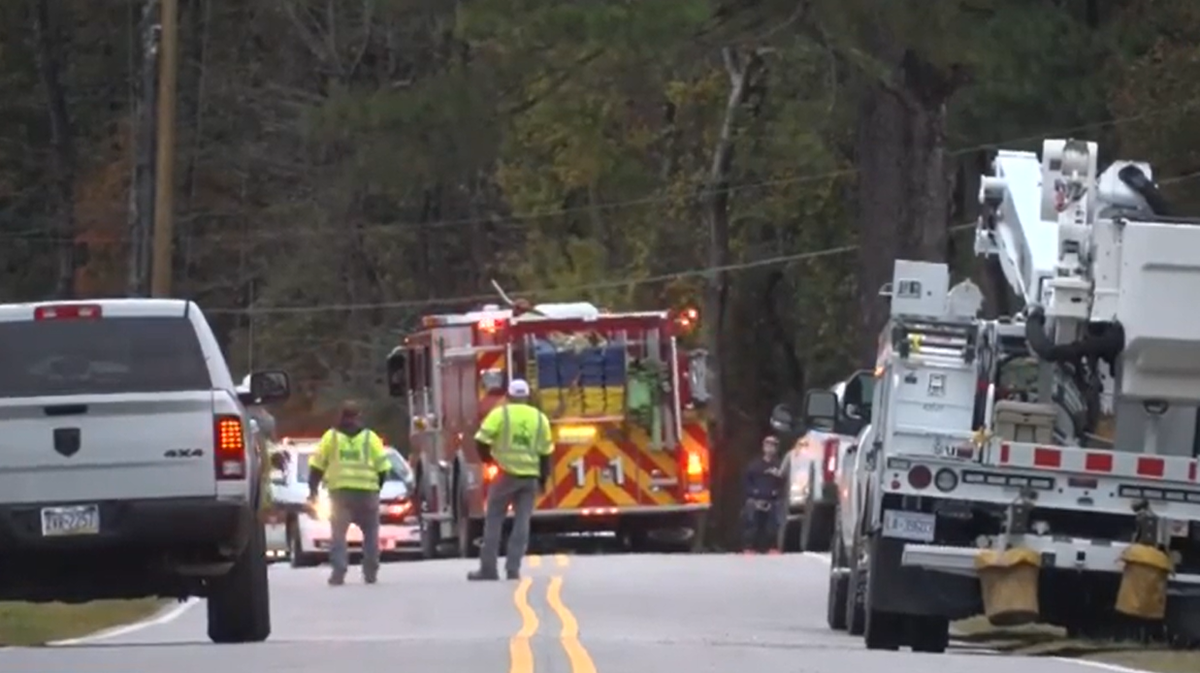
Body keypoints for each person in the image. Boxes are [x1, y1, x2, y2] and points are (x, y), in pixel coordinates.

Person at [468, 378, 554, 581]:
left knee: (494, 521)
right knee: (522, 523)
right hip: (530, 477)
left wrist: (489, 461)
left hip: (505, 474)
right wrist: (542, 479)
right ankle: (513, 569)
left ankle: (488, 569)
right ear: (527, 397)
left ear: (508, 396)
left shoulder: (501, 414)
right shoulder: (540, 418)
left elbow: (481, 439)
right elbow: (546, 453)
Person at [306, 400, 391, 586]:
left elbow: (317, 466)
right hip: (367, 493)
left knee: (338, 534)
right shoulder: (371, 438)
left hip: (340, 494)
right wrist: (377, 488)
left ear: (341, 416)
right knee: (370, 534)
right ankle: (370, 572)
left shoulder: (331, 437)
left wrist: (312, 491)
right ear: (359, 416)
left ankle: (339, 572)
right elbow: (383, 468)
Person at [742, 435, 786, 554]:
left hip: (772, 499)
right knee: (752, 523)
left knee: (773, 524)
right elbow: (747, 481)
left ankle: (772, 547)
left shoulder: (780, 466)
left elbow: (784, 483)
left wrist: (777, 492)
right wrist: (753, 493)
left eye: (773, 446)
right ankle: (749, 547)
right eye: (768, 445)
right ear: (763, 447)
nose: (770, 448)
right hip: (756, 499)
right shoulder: (754, 465)